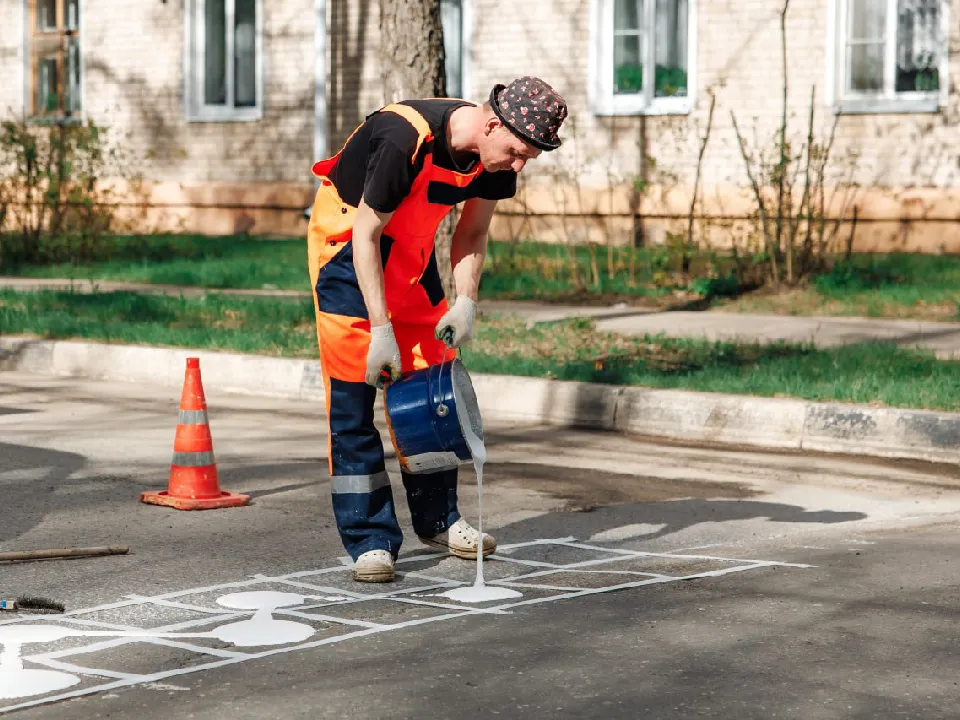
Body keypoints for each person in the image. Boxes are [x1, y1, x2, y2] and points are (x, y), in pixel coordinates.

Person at [306, 76, 568, 583]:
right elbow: (366, 232)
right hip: (347, 254)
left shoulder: (495, 155)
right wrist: (381, 328)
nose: (517, 166)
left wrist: (467, 300)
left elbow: (472, 231)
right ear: (492, 123)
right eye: (516, 152)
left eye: (528, 159)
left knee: (432, 391)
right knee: (353, 396)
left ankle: (439, 520)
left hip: (411, 256)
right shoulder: (405, 136)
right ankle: (370, 539)